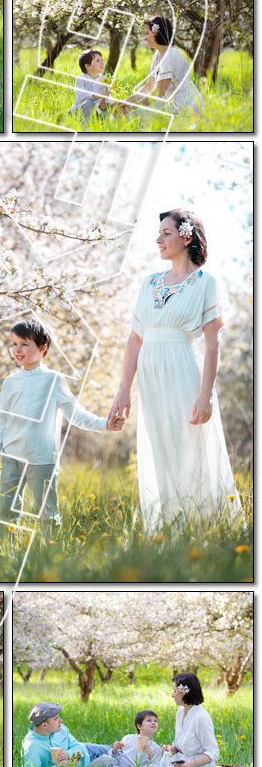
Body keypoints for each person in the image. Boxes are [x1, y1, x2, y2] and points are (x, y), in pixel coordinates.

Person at [108, 209, 240, 530]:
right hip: (151, 380)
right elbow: (135, 339)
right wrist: (124, 390)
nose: (158, 239)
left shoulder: (206, 283)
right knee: (160, 449)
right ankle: (170, 530)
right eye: (159, 233)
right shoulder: (149, 283)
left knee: (191, 449)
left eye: (166, 233)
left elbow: (212, 344)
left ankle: (206, 528)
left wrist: (205, 395)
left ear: (187, 236)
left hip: (184, 374)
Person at [0, 318, 125, 530]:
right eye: (14, 344)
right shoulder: (10, 381)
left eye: (24, 344)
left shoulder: (54, 380)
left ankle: (50, 555)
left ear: (42, 347)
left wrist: (106, 424)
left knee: (47, 515)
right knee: (6, 512)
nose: (17, 350)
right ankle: (5, 555)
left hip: (41, 460)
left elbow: (76, 414)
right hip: (12, 457)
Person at [121, 16, 203, 115]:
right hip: (168, 100)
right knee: (125, 110)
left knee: (134, 115)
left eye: (147, 33)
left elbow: (159, 93)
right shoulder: (158, 55)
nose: (145, 38)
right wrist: (126, 101)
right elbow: (149, 86)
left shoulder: (170, 56)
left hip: (184, 104)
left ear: (156, 34)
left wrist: (134, 107)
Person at [21, 702, 111, 767]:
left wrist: (67, 754)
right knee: (116, 765)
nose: (61, 720)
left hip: (87, 751)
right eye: (56, 719)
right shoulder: (32, 747)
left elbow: (78, 746)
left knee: (119, 750)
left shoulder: (60, 729)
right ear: (45, 725)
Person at [159, 673, 219, 767]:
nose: (172, 695)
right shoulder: (180, 712)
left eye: (174, 691)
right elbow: (181, 743)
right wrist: (172, 748)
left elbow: (213, 752)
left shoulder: (201, 717)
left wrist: (189, 765)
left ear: (184, 693)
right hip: (180, 764)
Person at [87, 709, 162, 767]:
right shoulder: (129, 738)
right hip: (118, 762)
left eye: (155, 721)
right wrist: (115, 749)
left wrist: (150, 756)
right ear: (139, 726)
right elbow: (116, 755)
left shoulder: (156, 748)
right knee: (105, 758)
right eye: (149, 720)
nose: (153, 723)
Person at [71, 49, 112, 122]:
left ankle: (102, 123)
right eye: (98, 60)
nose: (102, 62)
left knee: (113, 108)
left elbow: (108, 97)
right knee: (87, 103)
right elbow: (81, 96)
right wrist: (97, 95)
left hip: (99, 109)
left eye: (102, 60)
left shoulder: (105, 80)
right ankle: (88, 125)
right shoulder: (81, 79)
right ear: (88, 66)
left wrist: (106, 104)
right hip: (81, 109)